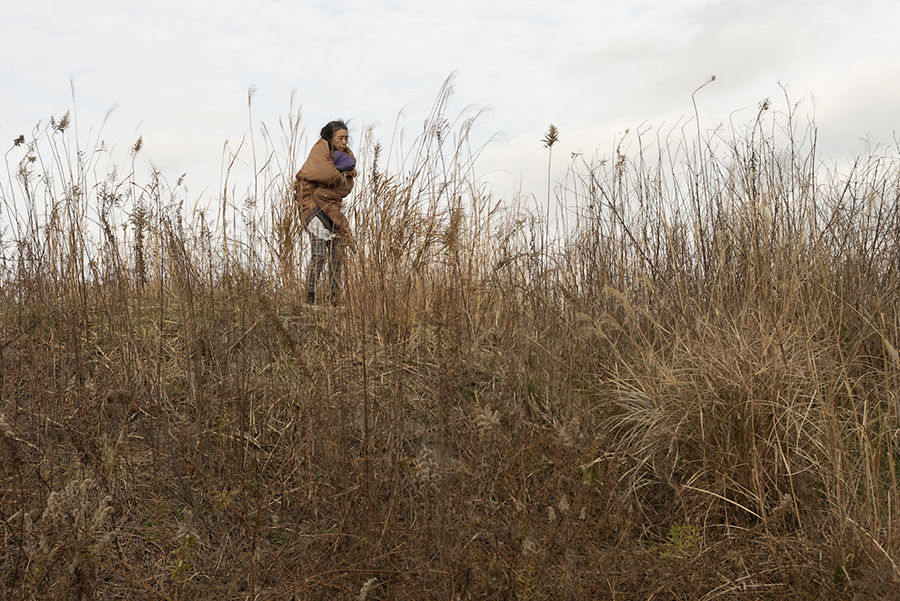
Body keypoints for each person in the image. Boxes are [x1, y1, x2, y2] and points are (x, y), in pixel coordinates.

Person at [294, 120, 357, 304]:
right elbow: (326, 174)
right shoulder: (319, 151)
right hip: (311, 205)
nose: (345, 142)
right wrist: (340, 174)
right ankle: (310, 298)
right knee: (319, 253)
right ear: (330, 138)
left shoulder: (345, 156)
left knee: (337, 253)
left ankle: (334, 298)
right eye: (341, 138)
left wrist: (342, 174)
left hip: (331, 206)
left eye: (346, 138)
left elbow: (347, 180)